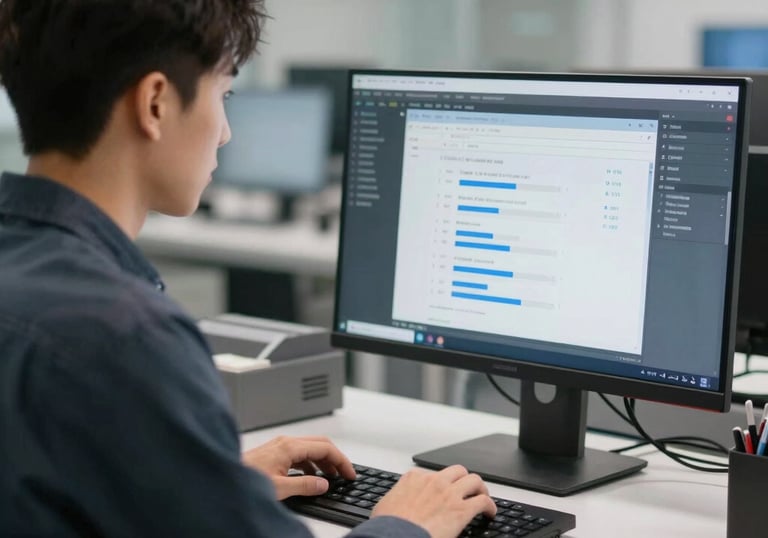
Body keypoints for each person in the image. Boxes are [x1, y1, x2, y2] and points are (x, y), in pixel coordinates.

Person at [0, 1, 496, 536]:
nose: (225, 134)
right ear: (156, 103)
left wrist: (209, 482)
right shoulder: (127, 338)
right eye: (223, 95)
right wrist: (408, 523)